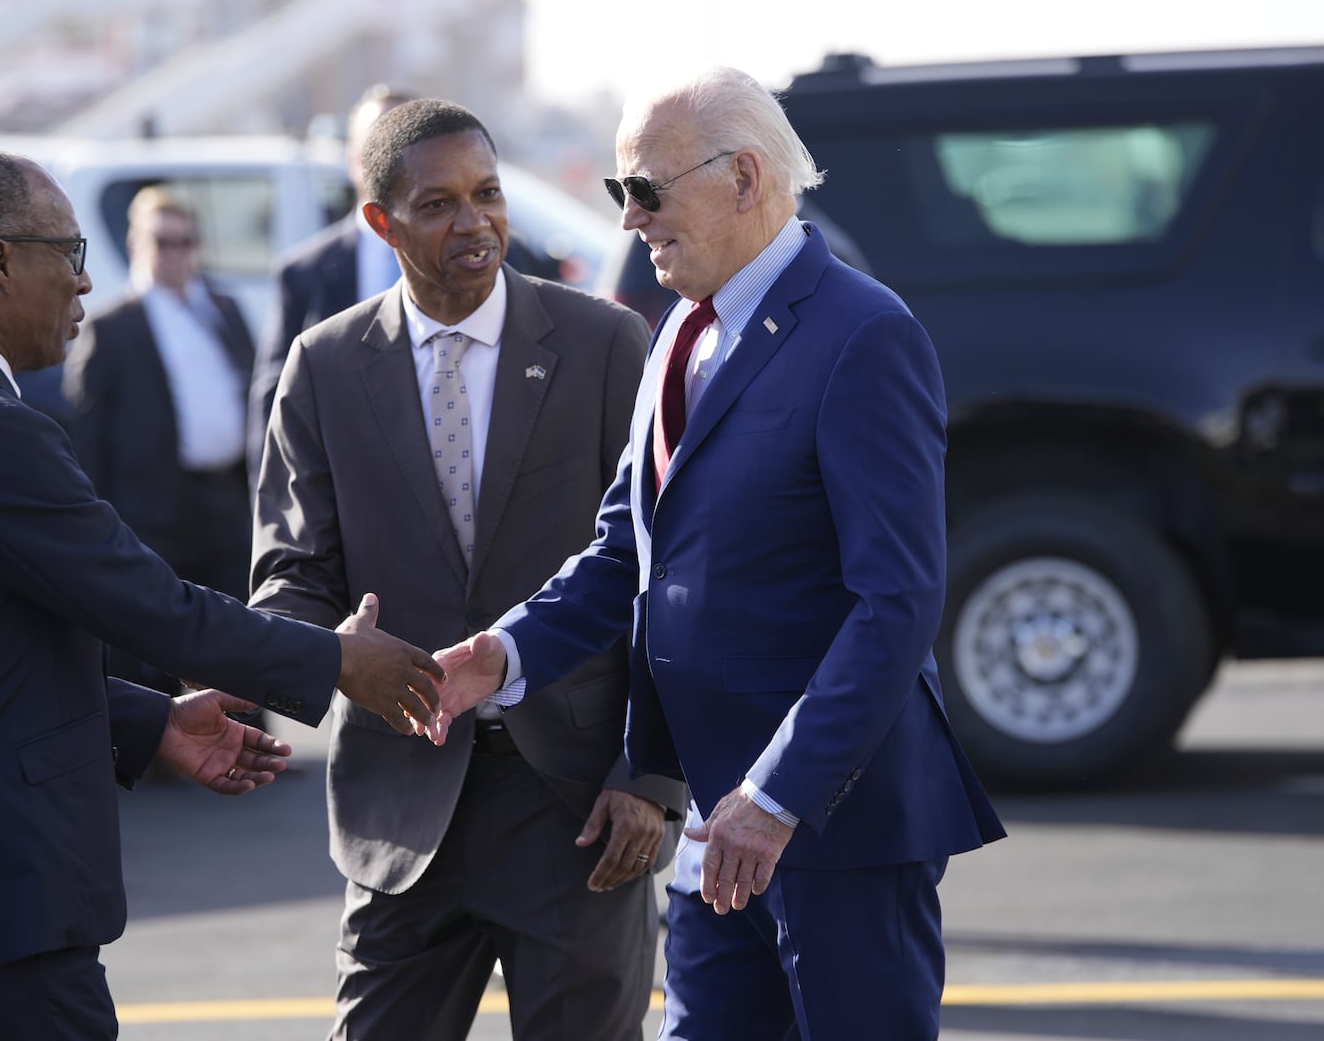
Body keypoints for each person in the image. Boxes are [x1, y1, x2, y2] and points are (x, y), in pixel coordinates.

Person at [0, 147, 444, 1041]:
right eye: (69, 252)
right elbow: (156, 607)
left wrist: (151, 723)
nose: (86, 281)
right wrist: (337, 660)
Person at [429, 69, 1007, 1040]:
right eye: (620, 193)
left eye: (645, 191)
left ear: (744, 177)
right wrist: (502, 652)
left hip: (830, 821)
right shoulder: (677, 333)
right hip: (708, 822)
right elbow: (624, 550)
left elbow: (893, 603)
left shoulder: (864, 335)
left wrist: (777, 793)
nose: (628, 221)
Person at [250, 99, 687, 1041]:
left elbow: (667, 574)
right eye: (439, 203)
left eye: (487, 194)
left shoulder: (605, 345)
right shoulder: (323, 365)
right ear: (381, 221)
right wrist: (326, 649)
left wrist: (649, 778)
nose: (476, 222)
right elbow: (290, 567)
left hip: (577, 811)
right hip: (400, 813)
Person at [64, 186, 255, 695]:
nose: (175, 253)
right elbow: (87, 435)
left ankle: (246, 731)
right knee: (151, 628)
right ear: (135, 245)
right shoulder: (110, 326)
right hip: (148, 508)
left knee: (235, 618)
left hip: (224, 500)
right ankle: (157, 745)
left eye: (186, 241)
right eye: (163, 241)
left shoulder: (224, 309)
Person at [249, 84, 416, 429]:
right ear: (352, 161)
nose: (391, 159)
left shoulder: (474, 260)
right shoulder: (302, 274)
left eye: (404, 143)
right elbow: (276, 399)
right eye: (377, 144)